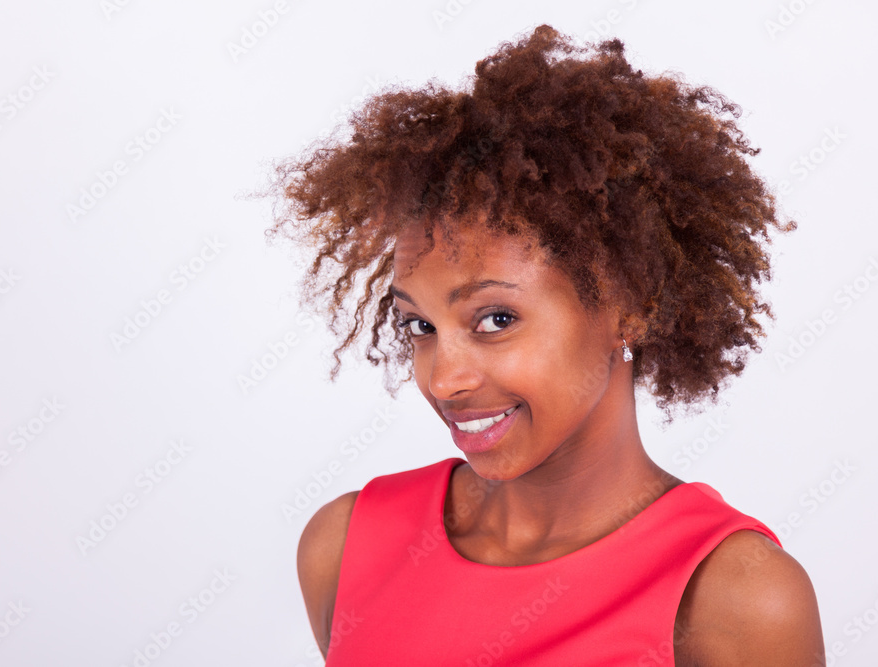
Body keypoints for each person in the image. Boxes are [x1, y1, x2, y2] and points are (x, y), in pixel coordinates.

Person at [262, 24, 824, 665]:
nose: (444, 380)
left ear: (630, 306)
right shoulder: (345, 546)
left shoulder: (733, 598)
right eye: (420, 326)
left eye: (495, 319)